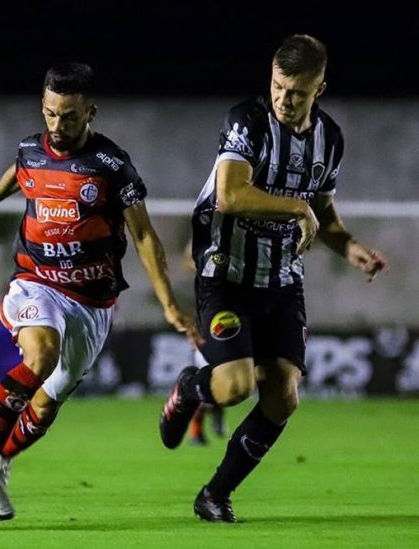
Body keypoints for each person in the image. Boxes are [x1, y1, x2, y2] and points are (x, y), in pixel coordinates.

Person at [0, 62, 201, 521]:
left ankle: (1, 461)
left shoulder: (111, 166)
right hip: (36, 281)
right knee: (41, 356)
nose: (56, 126)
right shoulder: (31, 149)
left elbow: (143, 235)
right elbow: (20, 171)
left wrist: (167, 302)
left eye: (68, 116)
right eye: (49, 113)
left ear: (90, 113)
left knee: (46, 404)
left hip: (92, 301)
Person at [159, 35, 389, 522]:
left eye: (297, 92)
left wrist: (350, 247)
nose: (284, 99)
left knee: (283, 397)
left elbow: (325, 217)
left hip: (283, 282)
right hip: (225, 274)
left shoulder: (330, 139)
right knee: (235, 386)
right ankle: (190, 388)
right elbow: (230, 195)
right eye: (278, 86)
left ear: (319, 89)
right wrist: (298, 207)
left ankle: (215, 495)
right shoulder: (247, 121)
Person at [181, 240, 226, 446]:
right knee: (207, 376)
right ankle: (196, 432)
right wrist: (210, 266)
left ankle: (217, 412)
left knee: (227, 377)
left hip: (234, 319)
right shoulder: (207, 234)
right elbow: (188, 259)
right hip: (207, 322)